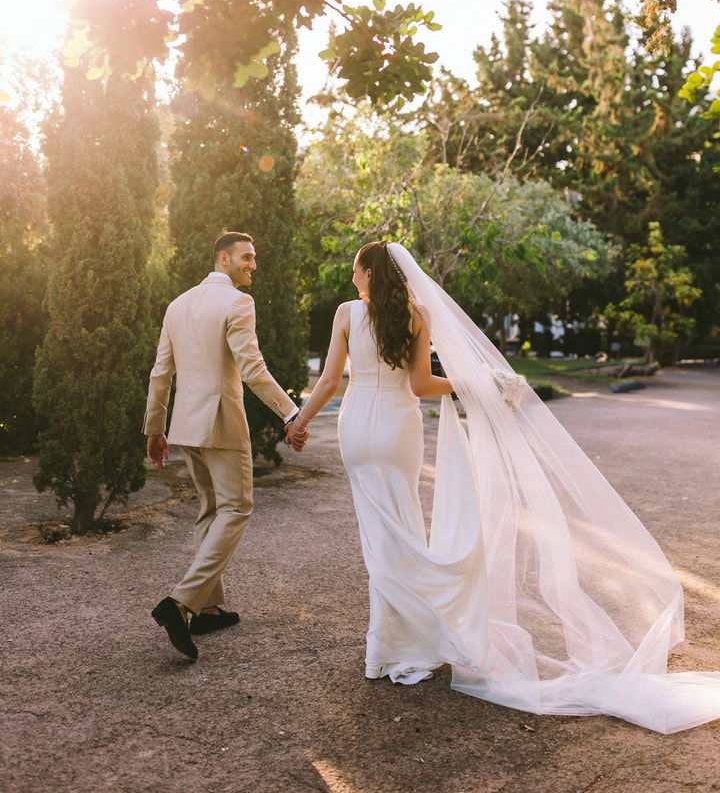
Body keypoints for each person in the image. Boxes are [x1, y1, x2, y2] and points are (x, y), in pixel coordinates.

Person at [286, 240, 720, 733]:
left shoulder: (346, 313)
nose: (352, 278)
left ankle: (387, 649)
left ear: (370, 272)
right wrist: (475, 382)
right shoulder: (415, 315)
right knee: (402, 528)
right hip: (397, 429)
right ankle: (405, 642)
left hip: (357, 428)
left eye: (355, 270)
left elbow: (329, 382)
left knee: (380, 536)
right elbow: (421, 386)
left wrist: (300, 422)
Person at [144, 231, 306, 661]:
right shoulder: (237, 302)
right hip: (221, 424)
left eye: (253, 258)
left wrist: (155, 428)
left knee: (211, 509)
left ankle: (209, 609)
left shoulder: (177, 305)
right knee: (236, 509)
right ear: (223, 258)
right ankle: (181, 602)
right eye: (246, 257)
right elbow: (253, 368)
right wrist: (291, 413)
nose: (253, 265)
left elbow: (160, 373)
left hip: (185, 425)